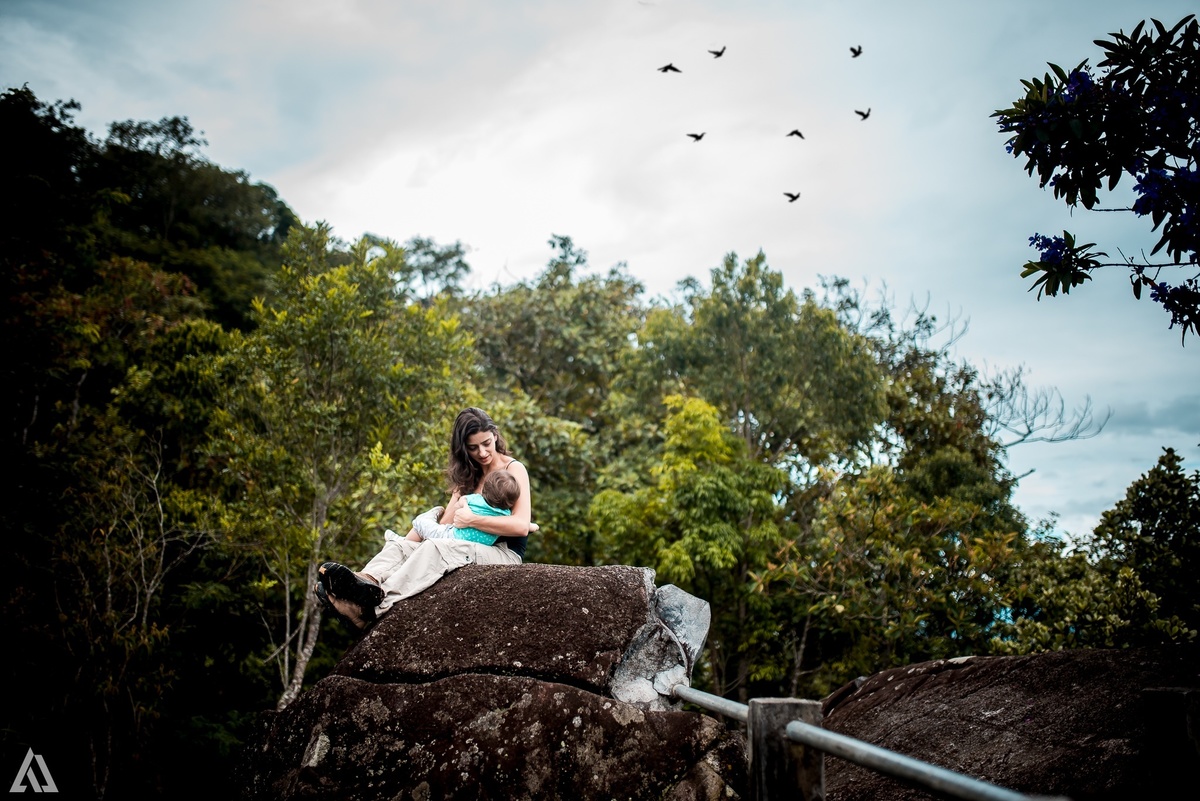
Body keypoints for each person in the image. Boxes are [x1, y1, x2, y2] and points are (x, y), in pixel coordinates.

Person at [315, 407, 535, 630]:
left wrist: (470, 519)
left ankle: (372, 608)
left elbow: (520, 526)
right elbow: (445, 526)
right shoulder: (470, 473)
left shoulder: (513, 469)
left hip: (501, 552)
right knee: (402, 545)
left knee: (433, 548)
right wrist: (460, 491)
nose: (482, 452)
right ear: (463, 449)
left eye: (487, 443)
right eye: (473, 448)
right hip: (463, 544)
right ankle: (366, 581)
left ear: (495, 435)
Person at [406, 470, 520, 545]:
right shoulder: (506, 515)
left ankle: (403, 543)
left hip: (451, 537)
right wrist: (532, 526)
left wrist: (462, 503)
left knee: (421, 523)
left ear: (485, 490)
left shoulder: (476, 500)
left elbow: (460, 502)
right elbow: (523, 526)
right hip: (474, 547)